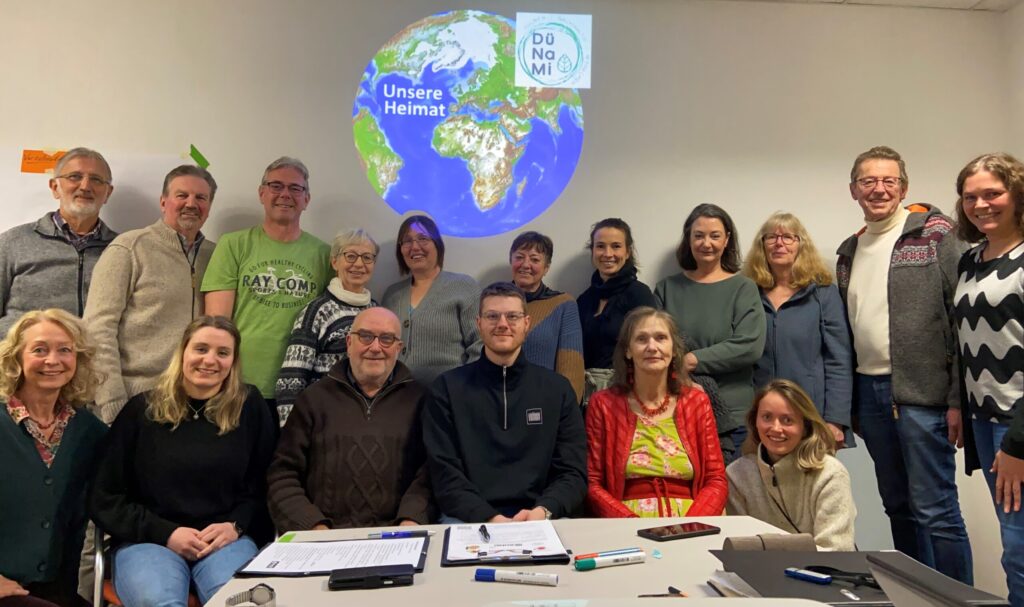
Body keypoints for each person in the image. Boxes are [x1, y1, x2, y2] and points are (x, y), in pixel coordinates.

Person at [836, 145, 971, 583]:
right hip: (870, 395)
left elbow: (961, 319)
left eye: (888, 180)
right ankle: (915, 594)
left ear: (904, 187)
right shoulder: (849, 251)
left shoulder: (937, 235)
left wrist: (957, 399)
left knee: (937, 510)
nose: (878, 189)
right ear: (853, 190)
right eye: (868, 181)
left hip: (923, 397)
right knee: (897, 507)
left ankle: (956, 599)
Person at [88, 316, 276, 606]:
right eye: (201, 349)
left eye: (222, 353)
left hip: (224, 542)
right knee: (159, 602)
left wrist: (235, 525)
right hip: (150, 541)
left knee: (244, 603)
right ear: (183, 352)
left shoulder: (250, 407)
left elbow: (264, 486)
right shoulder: (142, 410)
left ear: (233, 361)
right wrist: (167, 533)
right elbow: (105, 497)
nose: (210, 360)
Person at [422, 282, 586, 523]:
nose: (502, 324)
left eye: (512, 316)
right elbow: (444, 474)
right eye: (492, 316)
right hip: (469, 519)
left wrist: (543, 511)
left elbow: (573, 472)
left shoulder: (558, 390)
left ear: (526, 324)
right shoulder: (446, 389)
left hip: (542, 516)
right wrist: (490, 518)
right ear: (478, 324)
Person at [268, 307, 431, 530]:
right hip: (325, 535)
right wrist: (314, 527)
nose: (375, 347)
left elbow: (430, 474)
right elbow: (282, 475)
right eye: (365, 336)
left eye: (386, 339)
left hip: (397, 533)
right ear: (349, 342)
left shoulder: (421, 401)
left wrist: (411, 520)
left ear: (398, 348)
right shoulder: (313, 400)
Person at [84, 165, 217, 423]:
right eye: (182, 195)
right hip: (135, 401)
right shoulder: (129, 248)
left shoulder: (217, 256)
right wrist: (111, 402)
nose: (191, 204)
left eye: (201, 197)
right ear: (163, 201)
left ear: (209, 206)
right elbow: (97, 328)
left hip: (193, 402)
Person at [203, 157, 331, 420]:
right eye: (276, 186)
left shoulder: (325, 255)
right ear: (262, 193)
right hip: (239, 383)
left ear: (306, 199)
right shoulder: (233, 245)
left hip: (299, 386)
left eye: (295, 188)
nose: (285, 194)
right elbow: (216, 325)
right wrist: (219, 376)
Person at [952, 152, 1024, 604]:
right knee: (1013, 545)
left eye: (992, 193)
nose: (980, 205)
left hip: (1016, 426)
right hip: (985, 421)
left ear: (1017, 195)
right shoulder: (971, 260)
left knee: (1020, 551)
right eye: (970, 197)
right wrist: (960, 406)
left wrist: (1017, 443)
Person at [0, 310, 107, 607]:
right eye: (39, 350)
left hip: (57, 589)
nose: (52, 360)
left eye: (64, 350)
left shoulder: (90, 431)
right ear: (16, 357)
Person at [586, 307, 726, 518]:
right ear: (628, 351)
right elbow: (592, 482)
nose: (652, 347)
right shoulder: (603, 404)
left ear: (674, 349)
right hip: (626, 523)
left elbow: (716, 479)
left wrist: (691, 525)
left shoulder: (697, 402)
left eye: (661, 338)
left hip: (691, 521)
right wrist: (628, 523)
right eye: (641, 339)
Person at [655, 204, 765, 464]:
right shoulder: (666, 289)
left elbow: (749, 345)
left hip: (733, 418)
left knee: (732, 490)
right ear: (688, 239)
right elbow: (655, 345)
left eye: (715, 236)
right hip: (675, 412)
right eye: (699, 235)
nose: (706, 243)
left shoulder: (744, 288)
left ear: (727, 240)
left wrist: (691, 360)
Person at [743, 212, 854, 447]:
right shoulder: (748, 293)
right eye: (771, 237)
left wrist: (835, 420)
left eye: (788, 237)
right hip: (761, 417)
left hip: (811, 414)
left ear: (801, 244)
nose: (779, 243)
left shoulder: (823, 294)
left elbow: (839, 360)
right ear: (762, 245)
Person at [726, 380, 856, 551]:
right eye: (767, 417)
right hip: (759, 566)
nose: (776, 428)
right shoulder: (737, 474)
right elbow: (740, 548)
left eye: (787, 420)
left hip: (820, 567)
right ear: (754, 421)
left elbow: (835, 549)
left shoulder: (830, 474)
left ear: (805, 427)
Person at [0, 148, 118, 336]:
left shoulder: (123, 249)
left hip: (94, 353)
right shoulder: (12, 243)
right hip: (20, 352)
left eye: (96, 179)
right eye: (75, 177)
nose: (85, 186)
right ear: (55, 187)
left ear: (108, 193)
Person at [275, 228, 379, 424]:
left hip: (366, 423)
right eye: (350, 256)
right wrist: (293, 432)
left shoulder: (377, 311)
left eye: (367, 257)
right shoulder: (316, 312)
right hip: (324, 420)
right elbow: (291, 380)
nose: (359, 264)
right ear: (334, 262)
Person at [382, 215, 481, 387]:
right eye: (407, 241)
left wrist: (464, 390)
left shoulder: (464, 287)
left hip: (449, 396)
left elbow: (480, 344)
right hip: (397, 396)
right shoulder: (391, 295)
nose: (415, 247)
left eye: (423, 239)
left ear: (438, 245)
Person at [576, 218, 657, 405]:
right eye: (600, 246)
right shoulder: (584, 299)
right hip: (587, 396)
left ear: (627, 252)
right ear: (592, 251)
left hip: (627, 394)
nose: (608, 254)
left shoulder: (640, 294)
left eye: (616, 246)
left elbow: (649, 348)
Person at [508, 231, 584, 402]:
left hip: (544, 403)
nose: (525, 265)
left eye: (534, 260)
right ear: (511, 261)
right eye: (519, 257)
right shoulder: (494, 301)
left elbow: (572, 368)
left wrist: (563, 410)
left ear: (546, 268)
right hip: (497, 401)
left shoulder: (563, 304)